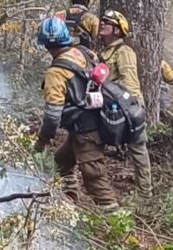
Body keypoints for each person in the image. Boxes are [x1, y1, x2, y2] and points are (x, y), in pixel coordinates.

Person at [32, 16, 117, 210]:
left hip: (88, 131)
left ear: (46, 45)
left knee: (95, 179)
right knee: (62, 159)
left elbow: (53, 116)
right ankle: (69, 202)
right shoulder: (84, 53)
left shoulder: (56, 72)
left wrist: (42, 141)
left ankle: (117, 227)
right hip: (98, 120)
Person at [97, 9, 153, 198]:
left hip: (129, 108)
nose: (102, 23)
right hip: (111, 109)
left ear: (117, 30)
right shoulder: (104, 53)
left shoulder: (124, 52)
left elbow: (129, 84)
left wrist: (130, 111)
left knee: (137, 149)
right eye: (102, 20)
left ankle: (145, 195)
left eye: (107, 22)